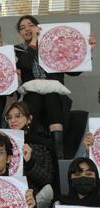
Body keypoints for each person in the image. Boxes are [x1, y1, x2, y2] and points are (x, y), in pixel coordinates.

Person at [14, 15, 97, 159]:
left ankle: (58, 152)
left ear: (38, 27)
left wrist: (87, 51)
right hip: (32, 94)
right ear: (20, 33)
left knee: (52, 97)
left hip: (55, 94)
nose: (27, 29)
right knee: (34, 98)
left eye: (31, 25)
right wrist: (34, 41)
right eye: (22, 27)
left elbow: (74, 72)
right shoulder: (17, 50)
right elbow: (24, 65)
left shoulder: (54, 45)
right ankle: (32, 151)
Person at [5, 101, 57, 208]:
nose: (13, 121)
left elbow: (47, 179)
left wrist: (30, 161)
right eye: (9, 117)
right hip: (8, 193)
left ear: (29, 119)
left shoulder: (41, 143)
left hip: (32, 193)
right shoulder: (2, 142)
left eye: (18, 116)